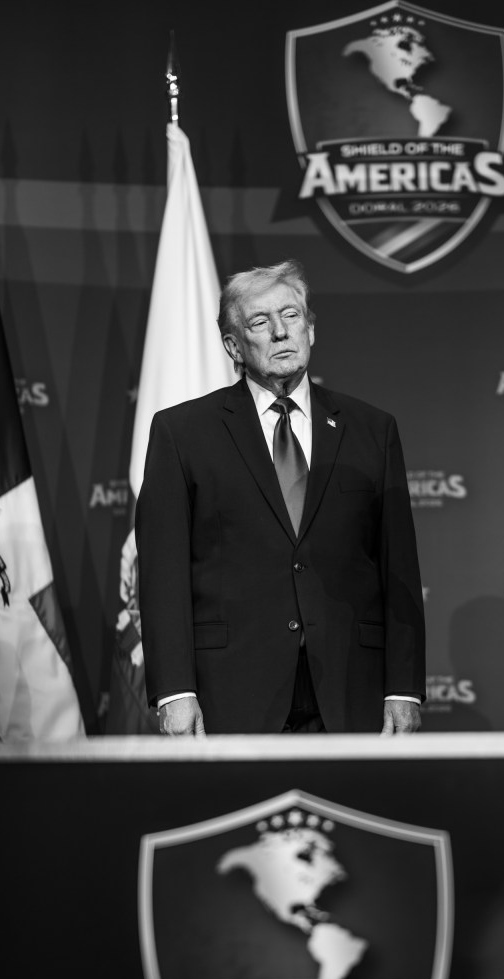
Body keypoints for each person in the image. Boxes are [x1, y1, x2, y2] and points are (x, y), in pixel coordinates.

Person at [135, 258, 425, 735]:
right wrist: (174, 690)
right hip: (229, 691)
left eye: (291, 316)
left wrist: (404, 688)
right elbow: (163, 574)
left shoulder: (373, 430)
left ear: (310, 329)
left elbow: (399, 571)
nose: (280, 333)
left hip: (352, 688)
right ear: (233, 345)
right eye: (259, 322)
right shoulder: (182, 433)